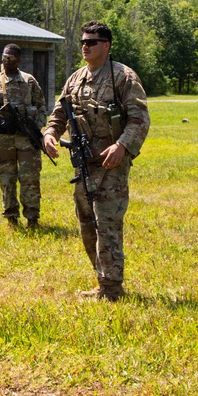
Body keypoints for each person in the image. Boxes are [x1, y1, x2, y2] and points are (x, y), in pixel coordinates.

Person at [43, 21, 150, 302]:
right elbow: (59, 113)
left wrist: (122, 146)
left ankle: (112, 288)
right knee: (87, 225)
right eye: (83, 42)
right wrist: (50, 134)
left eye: (92, 41)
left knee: (108, 224)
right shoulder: (75, 79)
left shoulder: (123, 78)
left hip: (111, 163)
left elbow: (140, 119)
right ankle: (102, 279)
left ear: (107, 45)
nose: (85, 46)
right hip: (83, 164)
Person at [0, 43, 48, 229]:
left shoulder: (29, 81)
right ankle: (11, 218)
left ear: (19, 60)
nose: (7, 62)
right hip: (2, 139)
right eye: (5, 58)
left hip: (26, 139)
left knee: (29, 178)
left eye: (12, 59)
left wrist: (34, 127)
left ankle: (32, 218)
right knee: (6, 178)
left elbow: (41, 107)